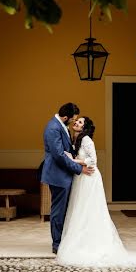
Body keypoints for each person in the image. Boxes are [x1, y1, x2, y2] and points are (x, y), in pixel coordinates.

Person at [56, 116, 136, 268]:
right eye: (77, 121)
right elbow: (81, 156)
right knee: (80, 209)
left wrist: (74, 161)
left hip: (90, 178)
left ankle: (92, 243)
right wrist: (72, 157)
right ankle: (81, 240)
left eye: (80, 122)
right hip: (81, 177)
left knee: (89, 210)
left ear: (85, 127)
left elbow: (93, 160)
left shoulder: (87, 139)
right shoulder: (78, 139)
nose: (76, 123)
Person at [40, 102, 94, 254]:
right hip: (58, 175)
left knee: (66, 210)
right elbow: (58, 155)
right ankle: (57, 244)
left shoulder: (60, 126)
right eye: (73, 119)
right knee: (58, 210)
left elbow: (66, 151)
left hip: (65, 174)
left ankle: (65, 240)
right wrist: (79, 168)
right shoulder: (53, 128)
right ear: (65, 117)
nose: (74, 122)